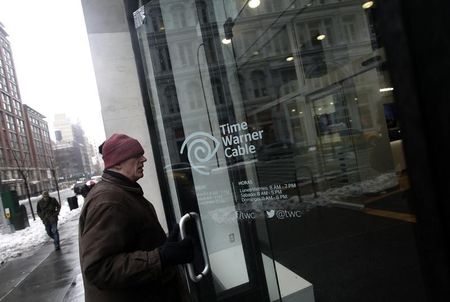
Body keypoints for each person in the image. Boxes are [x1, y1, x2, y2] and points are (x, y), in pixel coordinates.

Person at [79, 133, 194, 302]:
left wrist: (165, 245)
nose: (144, 159)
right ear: (117, 163)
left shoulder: (122, 191)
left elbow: (131, 244)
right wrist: (161, 257)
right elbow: (99, 269)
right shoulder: (108, 201)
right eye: (136, 155)